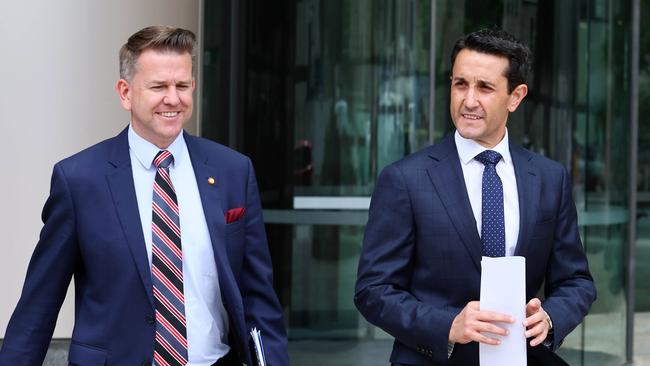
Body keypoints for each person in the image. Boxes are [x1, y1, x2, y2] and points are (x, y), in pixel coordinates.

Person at [0, 26, 289, 366]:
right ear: (125, 92)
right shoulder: (79, 180)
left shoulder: (233, 172)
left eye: (182, 85)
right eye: (158, 87)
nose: (173, 98)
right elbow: (39, 304)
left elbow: (259, 299)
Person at [354, 28, 596, 365]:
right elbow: (373, 291)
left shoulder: (548, 178)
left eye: (484, 87)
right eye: (460, 84)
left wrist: (551, 317)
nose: (469, 100)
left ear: (516, 96)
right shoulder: (404, 179)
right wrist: (448, 325)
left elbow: (576, 280)